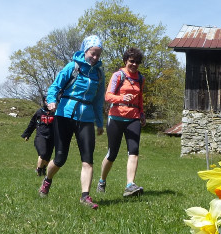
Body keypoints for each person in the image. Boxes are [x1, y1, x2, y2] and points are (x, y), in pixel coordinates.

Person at [39, 34, 106, 209]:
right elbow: (55, 86)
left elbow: (99, 100)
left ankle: (85, 197)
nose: (95, 57)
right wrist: (51, 100)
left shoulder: (99, 73)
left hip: (86, 118)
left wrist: (100, 122)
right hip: (64, 115)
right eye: (93, 53)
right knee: (60, 158)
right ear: (85, 51)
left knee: (88, 159)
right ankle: (47, 181)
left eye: (98, 54)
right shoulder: (73, 67)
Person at [97, 47, 146, 197]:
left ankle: (130, 185)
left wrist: (142, 113)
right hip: (116, 117)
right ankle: (102, 181)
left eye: (137, 62)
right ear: (126, 61)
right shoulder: (118, 75)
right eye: (132, 61)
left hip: (134, 118)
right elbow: (108, 96)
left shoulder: (140, 78)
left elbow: (140, 98)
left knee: (134, 151)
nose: (134, 64)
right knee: (112, 153)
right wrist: (121, 99)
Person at [21, 102, 55, 176]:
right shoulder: (40, 112)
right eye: (46, 101)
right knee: (43, 153)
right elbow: (32, 123)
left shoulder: (56, 112)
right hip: (41, 136)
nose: (48, 103)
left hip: (52, 137)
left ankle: (43, 169)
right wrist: (27, 134)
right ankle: (38, 169)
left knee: (48, 157)